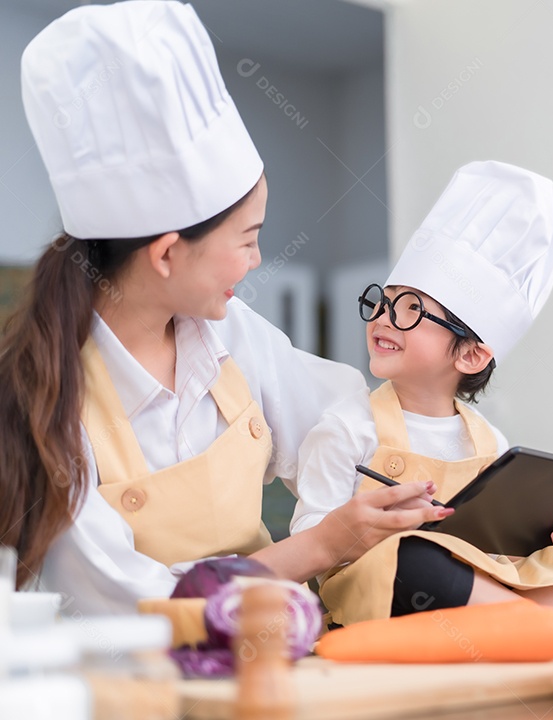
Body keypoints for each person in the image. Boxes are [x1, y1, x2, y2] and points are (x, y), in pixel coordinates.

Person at [0, 0, 443, 616]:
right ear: (166, 255)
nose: (258, 259)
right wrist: (322, 543)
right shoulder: (53, 405)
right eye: (246, 238)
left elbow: (346, 423)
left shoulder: (231, 334)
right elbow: (144, 608)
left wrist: (468, 473)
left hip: (266, 653)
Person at [291, 161, 553, 625]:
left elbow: (508, 554)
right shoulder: (346, 429)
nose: (384, 318)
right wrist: (368, 525)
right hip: (395, 592)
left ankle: (527, 624)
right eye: (383, 302)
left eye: (411, 310)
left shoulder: (492, 444)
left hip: (479, 590)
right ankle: (552, 626)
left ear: (470, 356)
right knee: (413, 559)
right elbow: (310, 542)